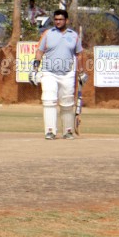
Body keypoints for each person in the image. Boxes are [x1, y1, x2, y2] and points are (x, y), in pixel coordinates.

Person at [33, 9, 84, 140]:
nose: (58, 22)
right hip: (49, 72)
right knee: (49, 100)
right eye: (56, 19)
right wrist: (35, 68)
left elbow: (79, 54)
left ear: (66, 20)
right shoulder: (48, 33)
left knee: (67, 103)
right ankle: (50, 131)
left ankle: (68, 131)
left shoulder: (74, 35)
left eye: (61, 19)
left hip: (67, 73)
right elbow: (39, 51)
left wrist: (81, 72)